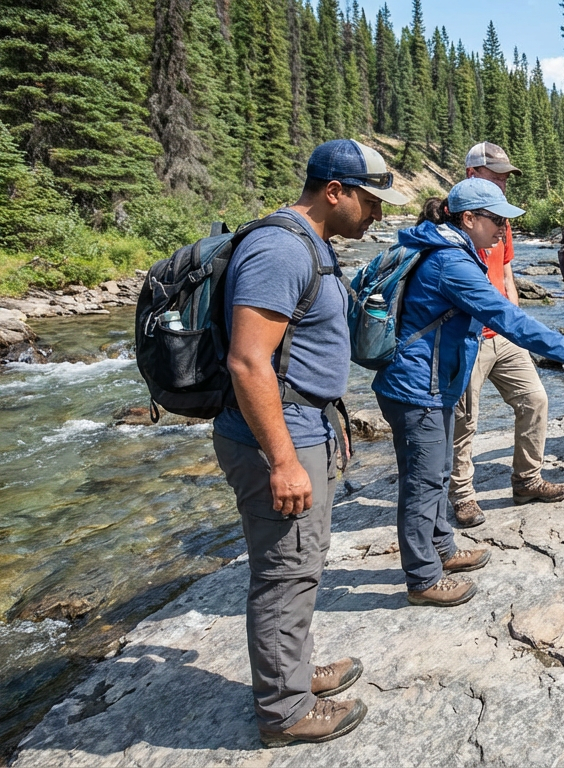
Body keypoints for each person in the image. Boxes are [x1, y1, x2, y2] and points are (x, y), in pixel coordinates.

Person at [213, 139, 409, 746]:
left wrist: (330, 426)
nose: (377, 214)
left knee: (303, 562)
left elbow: (304, 356)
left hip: (306, 427)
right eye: (370, 201)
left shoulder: (310, 245)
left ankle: (293, 672)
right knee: (284, 573)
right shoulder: (278, 250)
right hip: (277, 439)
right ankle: (285, 712)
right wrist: (285, 459)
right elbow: (248, 362)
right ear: (334, 192)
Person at [374, 178, 564, 607]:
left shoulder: (448, 247)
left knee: (440, 469)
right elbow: (508, 318)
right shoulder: (452, 263)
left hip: (431, 381)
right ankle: (423, 578)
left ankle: (443, 550)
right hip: (416, 387)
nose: (504, 230)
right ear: (468, 219)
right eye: (497, 221)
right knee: (423, 482)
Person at [448, 142, 564, 530]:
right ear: (472, 175)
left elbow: (507, 272)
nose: (502, 183)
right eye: (495, 176)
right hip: (467, 337)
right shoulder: (455, 224)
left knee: (535, 399)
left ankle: (527, 480)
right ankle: (462, 496)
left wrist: (515, 315)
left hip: (504, 332)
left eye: (505, 178)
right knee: (464, 421)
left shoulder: (502, 221)